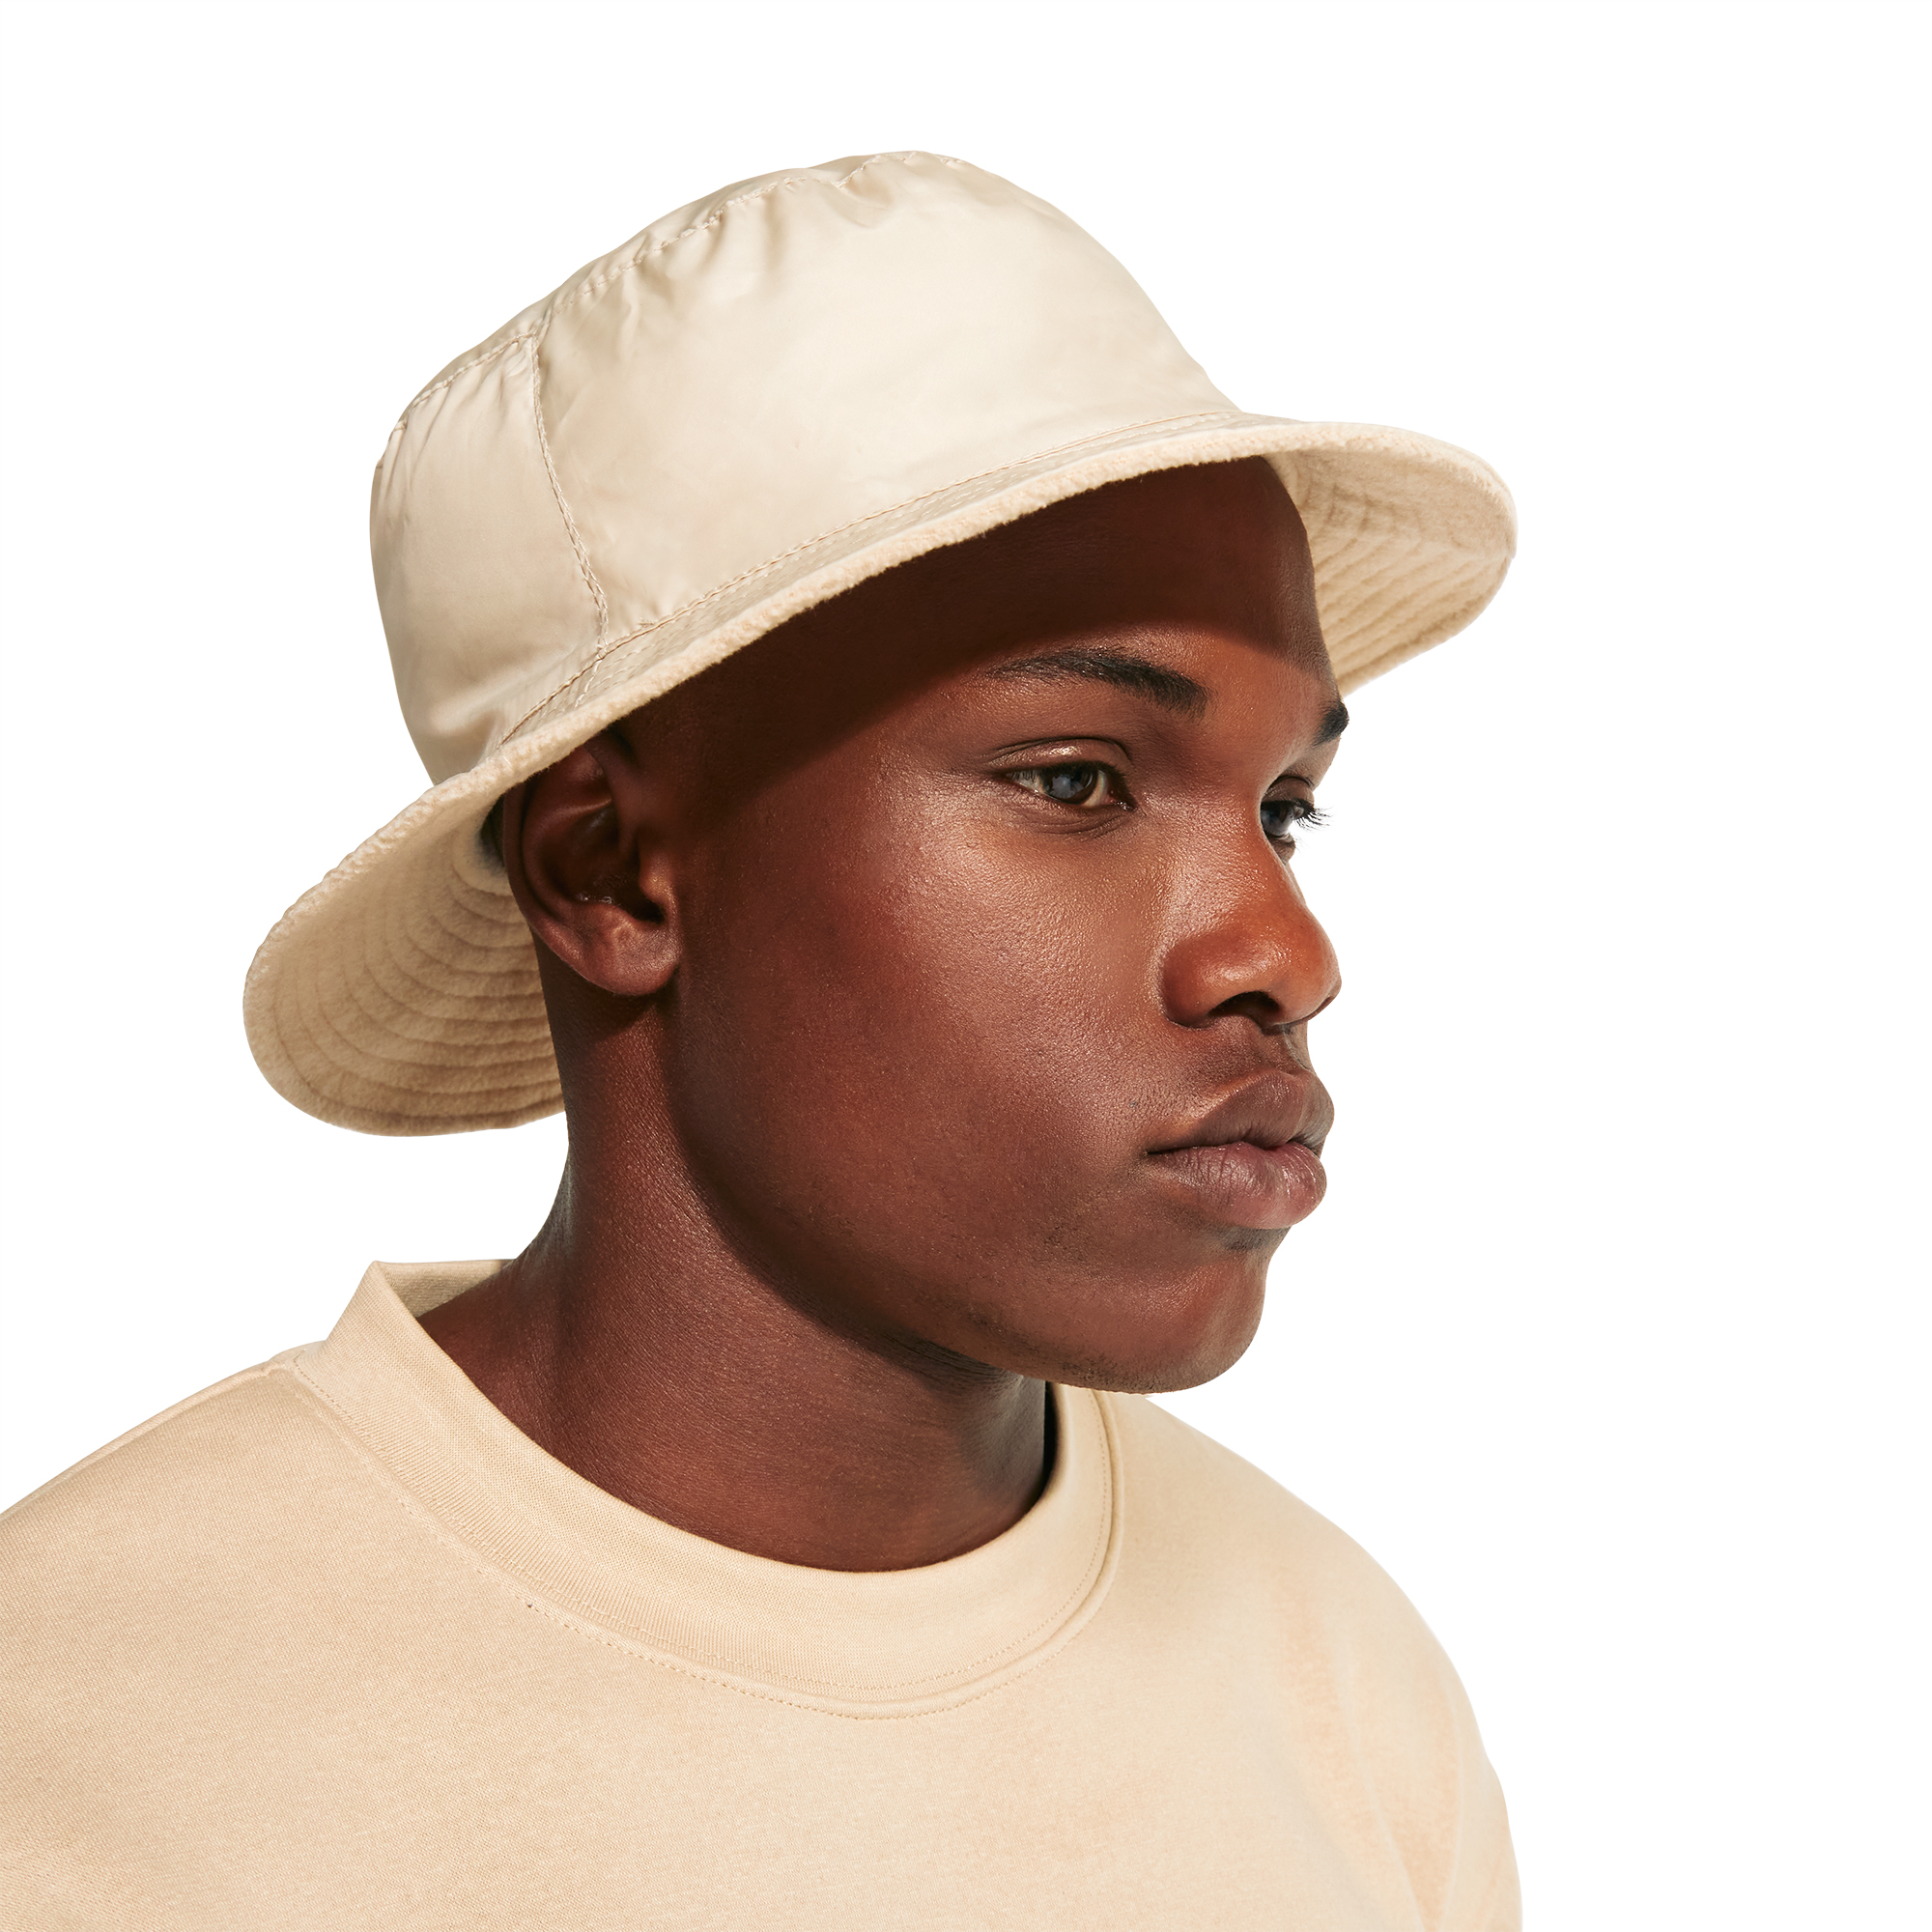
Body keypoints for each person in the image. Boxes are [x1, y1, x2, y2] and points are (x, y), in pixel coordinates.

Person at [1, 153, 1521, 1929]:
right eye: (1077, 782)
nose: (1284, 954)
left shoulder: (1339, 1691)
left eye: (1286, 809)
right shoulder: (82, 1725)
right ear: (609, 870)